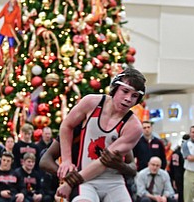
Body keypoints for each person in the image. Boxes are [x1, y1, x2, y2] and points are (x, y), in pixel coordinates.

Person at [56, 67, 146, 201]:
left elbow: (105, 161)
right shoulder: (91, 103)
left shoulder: (134, 126)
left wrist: (70, 182)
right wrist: (67, 160)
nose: (128, 99)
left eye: (134, 96)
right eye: (125, 91)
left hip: (113, 182)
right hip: (87, 179)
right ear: (115, 89)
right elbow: (66, 125)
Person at [169, 134, 190, 202]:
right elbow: (173, 168)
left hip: (191, 177)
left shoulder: (193, 153)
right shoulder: (176, 153)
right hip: (180, 179)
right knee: (181, 196)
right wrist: (174, 179)